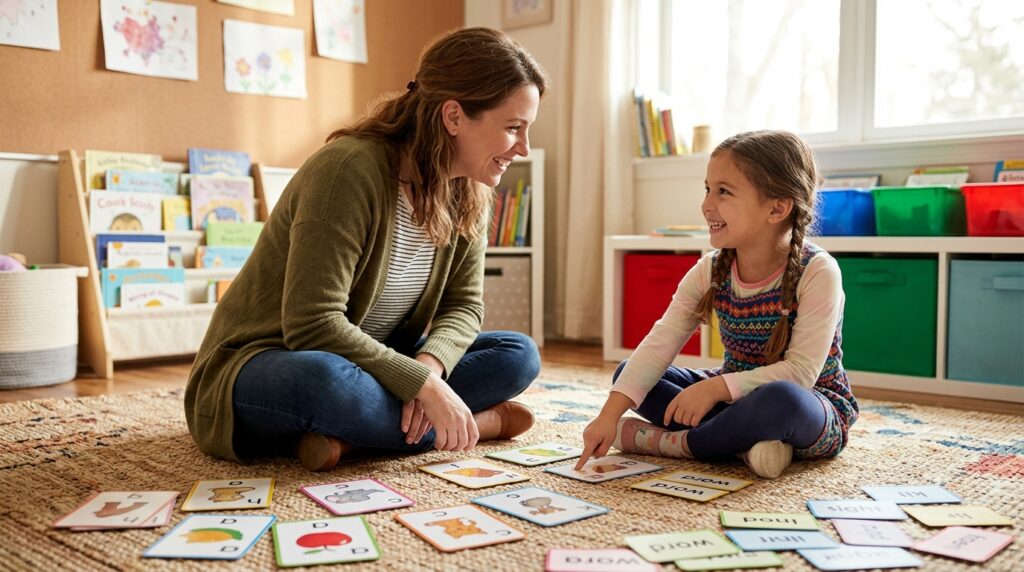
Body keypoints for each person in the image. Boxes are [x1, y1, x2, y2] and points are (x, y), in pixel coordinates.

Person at [185, 27, 548, 472]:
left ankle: (353, 438)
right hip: (264, 363)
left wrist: (428, 373)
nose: (523, 149)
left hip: (372, 363)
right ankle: (483, 422)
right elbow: (311, 324)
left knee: (518, 354)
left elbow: (464, 306)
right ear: (453, 117)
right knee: (326, 383)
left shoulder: (471, 189)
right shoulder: (346, 170)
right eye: (513, 128)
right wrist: (422, 387)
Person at [577, 130, 858, 479]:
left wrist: (714, 389)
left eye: (723, 192)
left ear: (777, 208)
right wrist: (609, 416)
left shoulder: (817, 271)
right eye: (707, 189)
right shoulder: (710, 269)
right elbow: (662, 341)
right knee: (631, 376)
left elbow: (801, 374)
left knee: (781, 400)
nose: (707, 204)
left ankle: (680, 444)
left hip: (810, 405)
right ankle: (744, 444)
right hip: (734, 397)